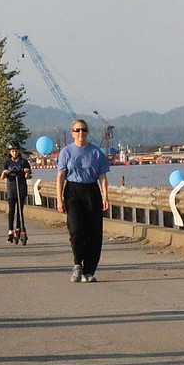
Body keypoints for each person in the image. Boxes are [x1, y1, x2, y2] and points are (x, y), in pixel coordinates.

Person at [56, 119, 111, 282]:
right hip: (73, 191)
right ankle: (77, 264)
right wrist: (59, 199)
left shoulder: (95, 152)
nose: (81, 133)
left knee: (94, 232)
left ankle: (89, 270)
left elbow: (102, 176)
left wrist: (105, 196)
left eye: (83, 130)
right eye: (77, 130)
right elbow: (60, 176)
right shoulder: (66, 152)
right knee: (76, 229)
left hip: (91, 191)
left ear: (87, 132)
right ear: (73, 133)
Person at [1, 143, 32, 244]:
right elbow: (2, 177)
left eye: (16, 151)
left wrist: (26, 172)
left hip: (21, 188)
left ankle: (19, 228)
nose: (15, 153)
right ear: (10, 152)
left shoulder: (24, 162)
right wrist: (5, 173)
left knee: (20, 210)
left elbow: (27, 176)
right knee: (11, 210)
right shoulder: (7, 162)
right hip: (11, 188)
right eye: (13, 151)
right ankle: (10, 231)